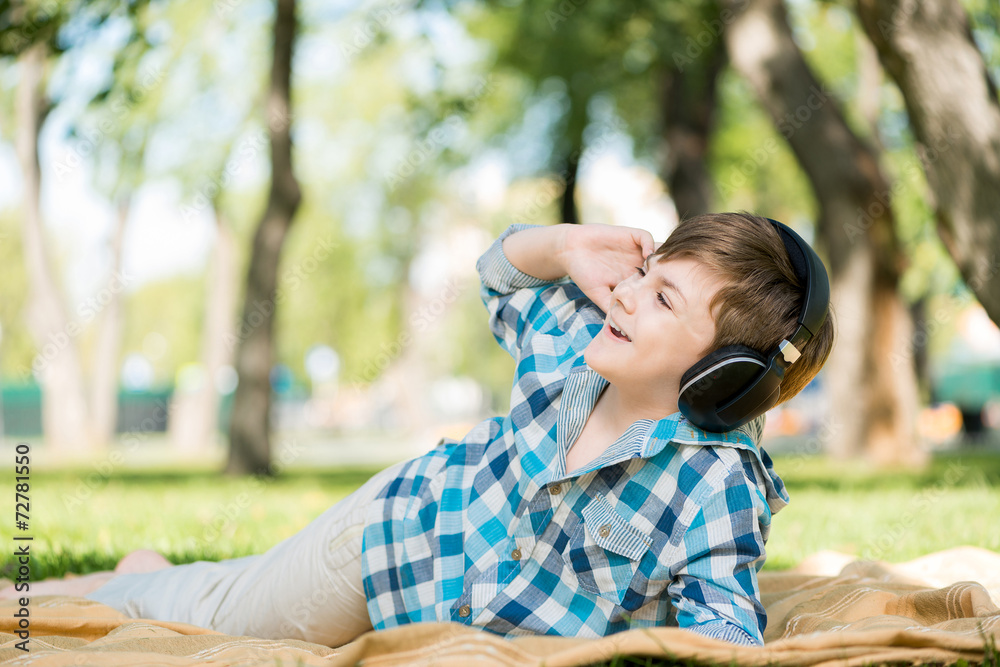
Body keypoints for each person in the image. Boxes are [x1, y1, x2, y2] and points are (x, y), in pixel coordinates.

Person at [7, 212, 834, 648]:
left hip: (441, 614)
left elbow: (723, 620)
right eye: (647, 275)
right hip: (385, 545)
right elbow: (501, 278)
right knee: (214, 616)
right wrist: (564, 245)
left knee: (226, 587)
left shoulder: (715, 484)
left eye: (663, 300)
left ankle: (160, 569)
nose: (627, 294)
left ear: (728, 376)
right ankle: (51, 596)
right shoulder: (577, 348)